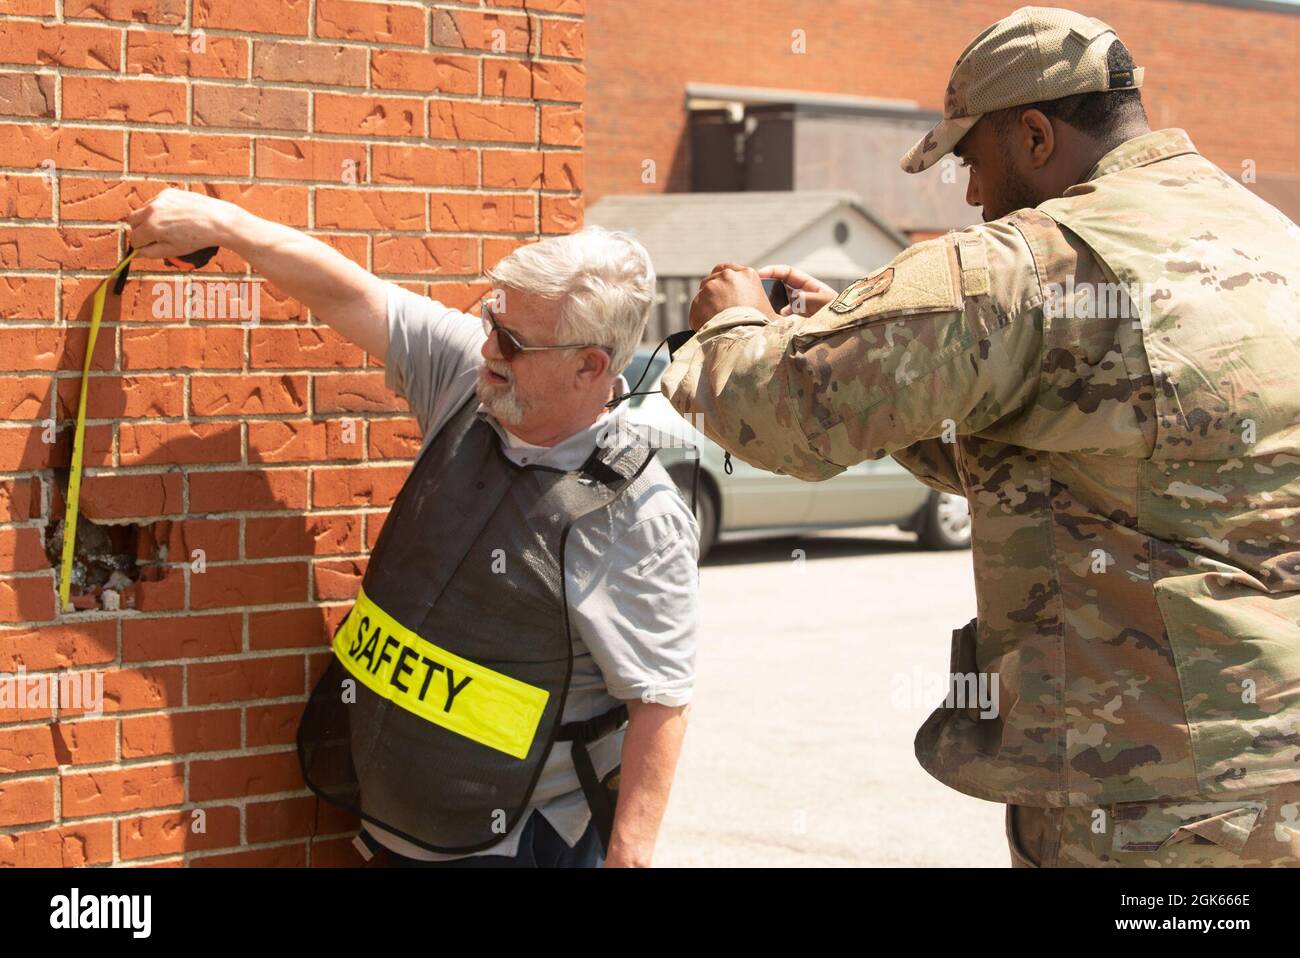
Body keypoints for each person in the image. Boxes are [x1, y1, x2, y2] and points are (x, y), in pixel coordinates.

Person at [660, 6, 1300, 867]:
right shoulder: (1271, 244)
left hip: (1148, 813)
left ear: (1034, 135)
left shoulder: (1028, 265)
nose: (969, 194)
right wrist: (863, 351)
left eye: (971, 158)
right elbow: (1073, 448)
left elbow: (779, 412)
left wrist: (730, 326)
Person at [124, 193, 699, 868]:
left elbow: (659, 702)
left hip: (511, 842)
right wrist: (226, 224)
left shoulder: (635, 513)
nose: (487, 346)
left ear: (590, 367)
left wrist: (629, 858)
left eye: (512, 341)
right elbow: (346, 294)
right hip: (395, 826)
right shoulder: (470, 381)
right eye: (492, 321)